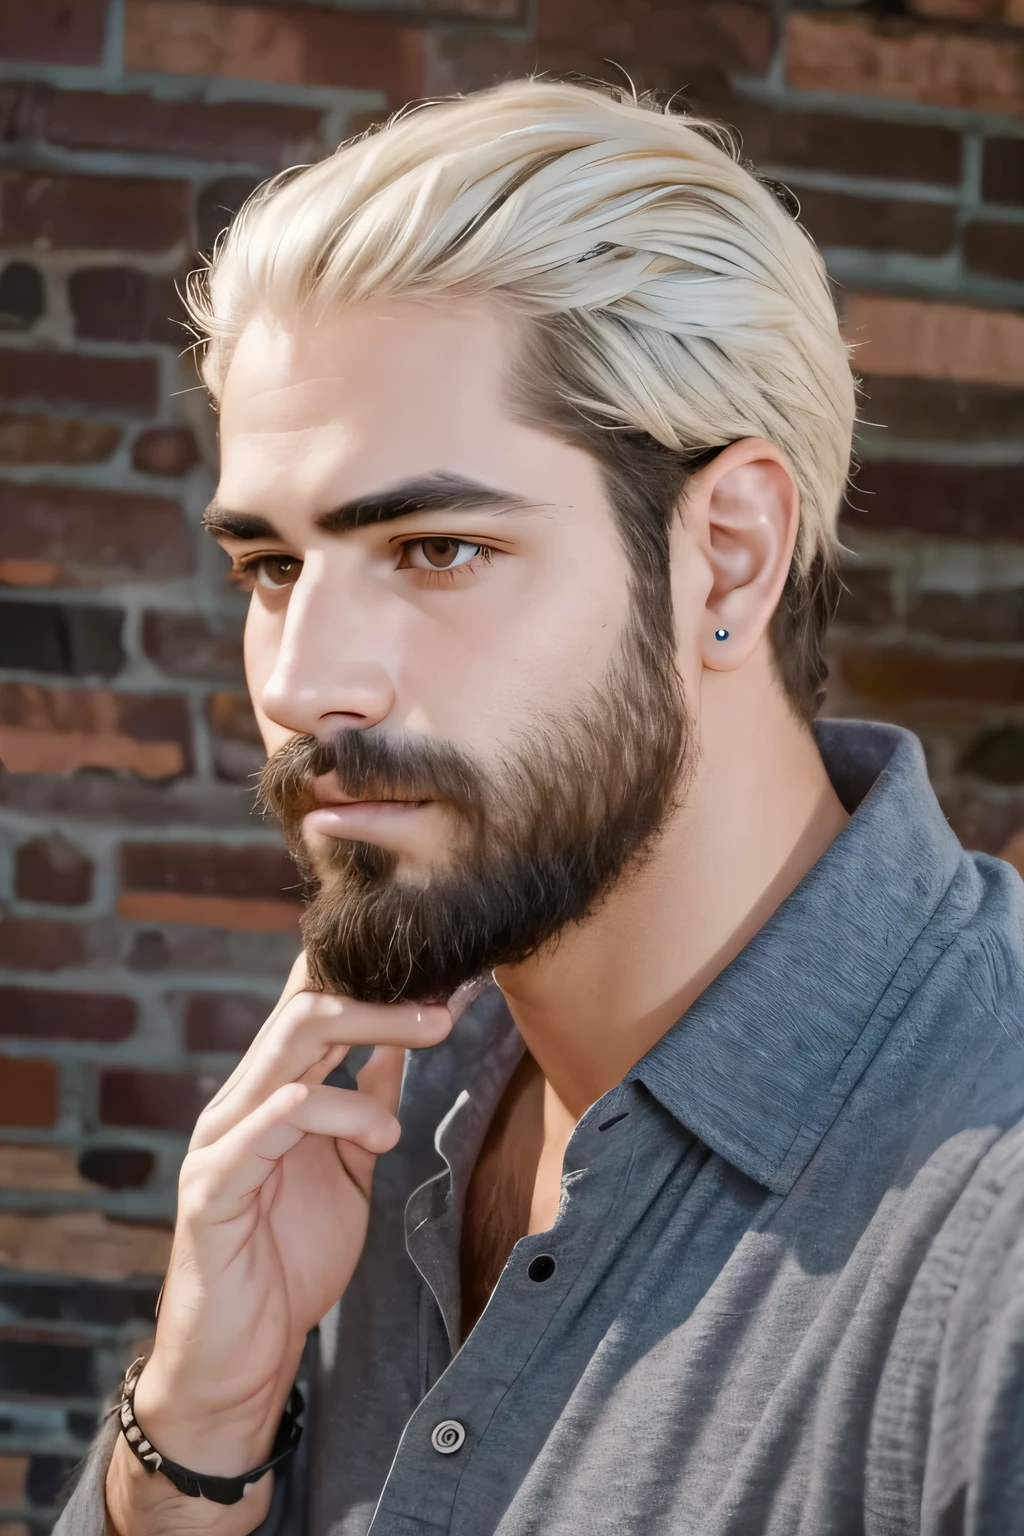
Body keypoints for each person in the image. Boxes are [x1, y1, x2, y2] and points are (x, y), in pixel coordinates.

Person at [56, 79, 1024, 1536]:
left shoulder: (986, 1247)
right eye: (271, 568)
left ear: (728, 559)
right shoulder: (384, 1113)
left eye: (435, 549)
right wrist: (199, 1428)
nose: (307, 684)